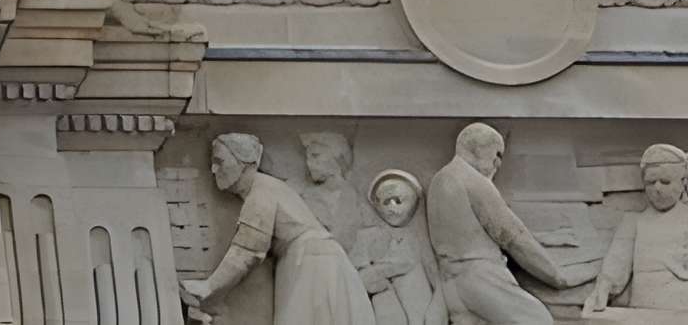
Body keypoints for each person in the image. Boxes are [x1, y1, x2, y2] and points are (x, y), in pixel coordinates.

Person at [185, 133, 379, 325]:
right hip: (315, 260)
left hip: (312, 263)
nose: (214, 169)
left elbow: (247, 251)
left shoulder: (261, 191)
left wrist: (209, 287)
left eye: (220, 161)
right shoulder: (266, 188)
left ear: (244, 162)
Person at [428, 125, 596, 325]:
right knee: (538, 320)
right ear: (479, 148)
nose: (498, 163)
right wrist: (557, 277)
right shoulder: (473, 180)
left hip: (451, 284)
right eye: (497, 154)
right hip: (480, 279)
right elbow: (514, 238)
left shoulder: (440, 179)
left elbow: (473, 233)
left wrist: (547, 238)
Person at [588, 143, 688, 315]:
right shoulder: (633, 222)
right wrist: (603, 288)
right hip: (641, 309)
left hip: (680, 308)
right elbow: (616, 264)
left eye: (665, 182)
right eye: (651, 182)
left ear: (682, 183)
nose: (657, 188)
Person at [355, 168, 442, 325]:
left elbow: (434, 273)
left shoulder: (418, 238)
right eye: (386, 202)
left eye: (398, 201)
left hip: (418, 305)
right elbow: (357, 273)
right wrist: (383, 273)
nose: (391, 209)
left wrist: (437, 305)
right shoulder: (367, 236)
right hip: (385, 301)